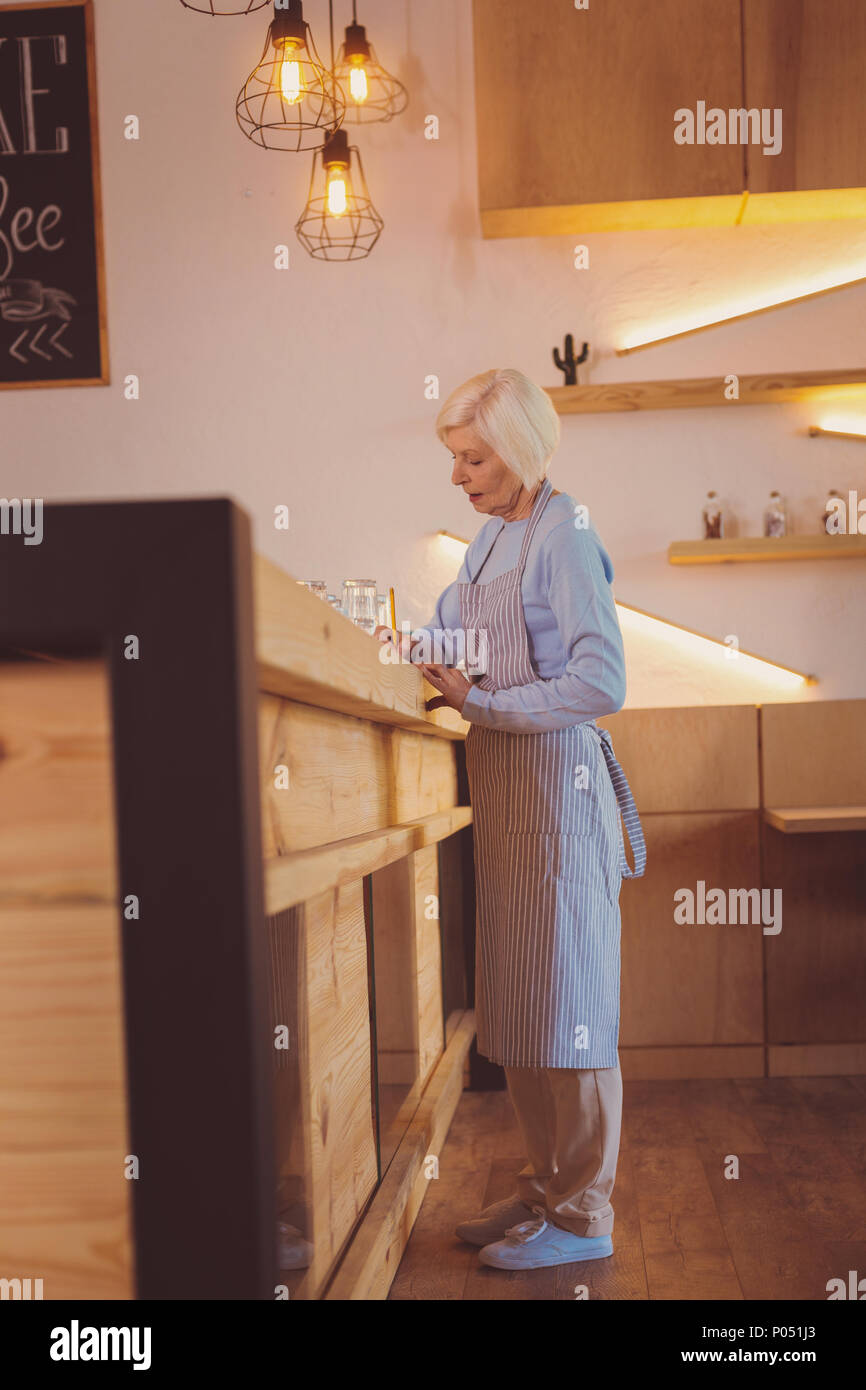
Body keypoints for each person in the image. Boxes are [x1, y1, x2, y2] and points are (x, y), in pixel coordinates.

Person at [377, 367, 646, 1271]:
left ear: (520, 449)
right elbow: (467, 641)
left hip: (558, 799)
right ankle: (545, 1190)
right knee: (531, 1007)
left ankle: (584, 1215)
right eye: (455, 457)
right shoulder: (491, 541)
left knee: (571, 1007)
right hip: (509, 799)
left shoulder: (565, 533)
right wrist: (417, 646)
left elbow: (601, 681)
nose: (458, 476)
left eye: (472, 457)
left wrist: (483, 704)